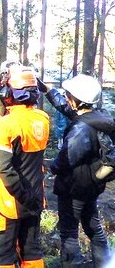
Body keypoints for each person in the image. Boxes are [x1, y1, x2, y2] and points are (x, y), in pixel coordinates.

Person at [46, 74, 112, 267]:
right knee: (93, 227)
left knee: (69, 232)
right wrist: (48, 91)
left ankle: (72, 264)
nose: (66, 97)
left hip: (74, 187)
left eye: (68, 95)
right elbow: (66, 108)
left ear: (76, 100)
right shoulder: (98, 118)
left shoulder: (81, 128)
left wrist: (52, 167)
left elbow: (67, 158)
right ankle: (105, 264)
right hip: (91, 184)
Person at [0, 64, 50, 268]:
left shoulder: (5, 125)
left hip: (10, 200)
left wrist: (22, 196)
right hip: (35, 196)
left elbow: (5, 169)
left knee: (3, 256)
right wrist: (30, 198)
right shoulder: (43, 119)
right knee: (32, 251)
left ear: (10, 92)